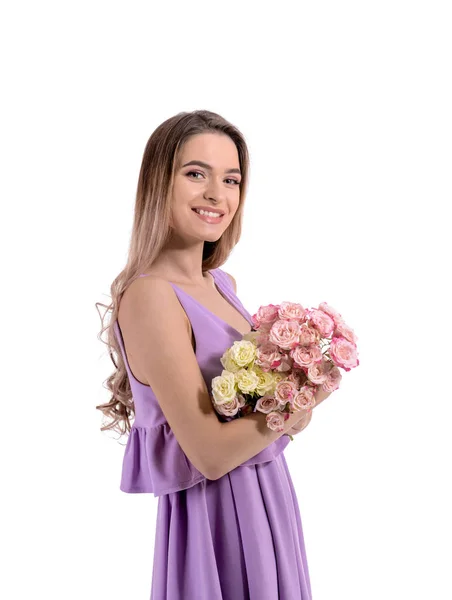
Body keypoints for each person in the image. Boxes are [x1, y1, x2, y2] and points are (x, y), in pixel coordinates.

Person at [96, 109, 332, 599]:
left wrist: (294, 391)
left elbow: (257, 416)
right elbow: (207, 455)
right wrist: (300, 403)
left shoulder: (220, 284)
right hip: (216, 517)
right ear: (158, 182)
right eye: (195, 173)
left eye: (231, 179)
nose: (216, 194)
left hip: (269, 499)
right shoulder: (150, 296)